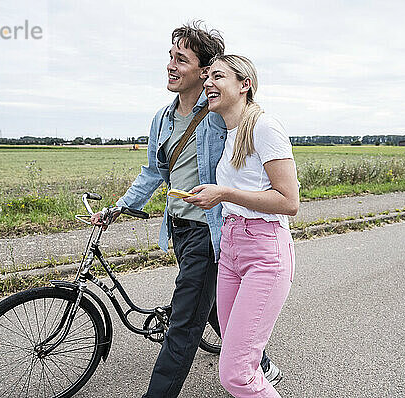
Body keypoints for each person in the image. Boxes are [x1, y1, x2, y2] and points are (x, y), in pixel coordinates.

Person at [90, 22, 280, 397]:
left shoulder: (221, 118)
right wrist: (119, 208)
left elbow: (250, 155)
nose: (171, 66)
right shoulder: (162, 118)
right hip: (178, 226)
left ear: (205, 71)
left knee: (184, 322)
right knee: (206, 302)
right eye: (170, 57)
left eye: (182, 59)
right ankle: (258, 361)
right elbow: (154, 172)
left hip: (211, 231)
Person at [185, 54, 300, 397]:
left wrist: (225, 194)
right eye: (207, 77)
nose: (207, 83)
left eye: (217, 76)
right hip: (231, 249)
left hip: (265, 253)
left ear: (244, 84)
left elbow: (289, 201)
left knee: (235, 374)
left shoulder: (265, 127)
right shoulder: (230, 132)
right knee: (243, 367)